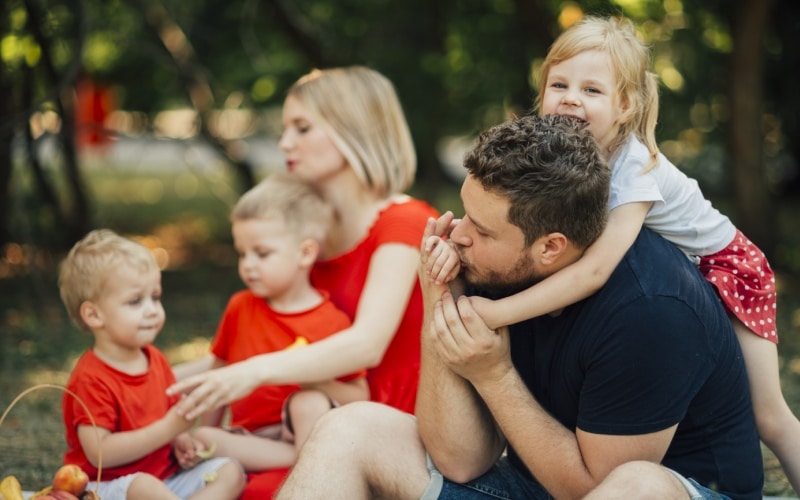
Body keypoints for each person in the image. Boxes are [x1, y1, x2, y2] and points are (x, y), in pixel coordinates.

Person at [276, 113, 764, 499]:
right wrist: (442, 298)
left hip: (670, 492)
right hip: (537, 486)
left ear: (550, 247)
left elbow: (595, 490)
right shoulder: (492, 266)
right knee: (347, 428)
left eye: (482, 230)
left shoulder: (652, 309)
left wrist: (496, 377)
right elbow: (461, 460)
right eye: (465, 212)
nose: (459, 234)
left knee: (638, 486)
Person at [424, 15, 800, 493]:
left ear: (625, 106)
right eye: (559, 83)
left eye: (592, 90)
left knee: (768, 415)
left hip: (730, 266)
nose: (571, 98)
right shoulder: (562, 167)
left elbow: (596, 270)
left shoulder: (634, 167)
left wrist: (496, 313)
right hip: (686, 271)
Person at [167, 65, 439, 497]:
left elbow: (367, 343)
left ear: (355, 132)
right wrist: (150, 380)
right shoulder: (307, 238)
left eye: (302, 127)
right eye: (286, 128)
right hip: (306, 426)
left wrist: (252, 373)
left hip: (392, 434)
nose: (284, 142)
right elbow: (261, 342)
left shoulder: (405, 224)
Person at [189, 171, 368, 473]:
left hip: (305, 430)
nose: (248, 265)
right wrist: (210, 433)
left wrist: (313, 377)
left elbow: (360, 395)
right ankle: (300, 459)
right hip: (251, 438)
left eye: (262, 254)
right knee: (203, 438)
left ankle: (306, 458)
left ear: (305, 252)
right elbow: (219, 375)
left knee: (307, 401)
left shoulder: (330, 321)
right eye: (242, 254)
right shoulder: (240, 306)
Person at [58, 229, 245, 500]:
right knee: (144, 487)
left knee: (231, 471)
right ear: (94, 315)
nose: (152, 310)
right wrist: (170, 429)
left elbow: (165, 415)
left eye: (155, 297)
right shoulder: (91, 378)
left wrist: (180, 440)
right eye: (136, 301)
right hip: (109, 486)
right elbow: (100, 454)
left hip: (165, 478)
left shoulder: (154, 358)